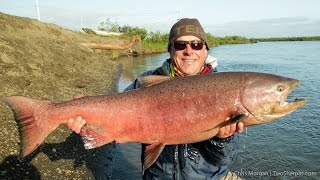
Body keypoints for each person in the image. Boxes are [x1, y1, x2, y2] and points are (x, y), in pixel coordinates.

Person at [68, 18, 244, 180]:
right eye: (180, 45)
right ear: (170, 49)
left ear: (206, 50)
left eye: (196, 44)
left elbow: (226, 158)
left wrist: (222, 139)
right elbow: (114, 111)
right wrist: (85, 118)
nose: (189, 51)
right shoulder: (146, 82)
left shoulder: (224, 89)